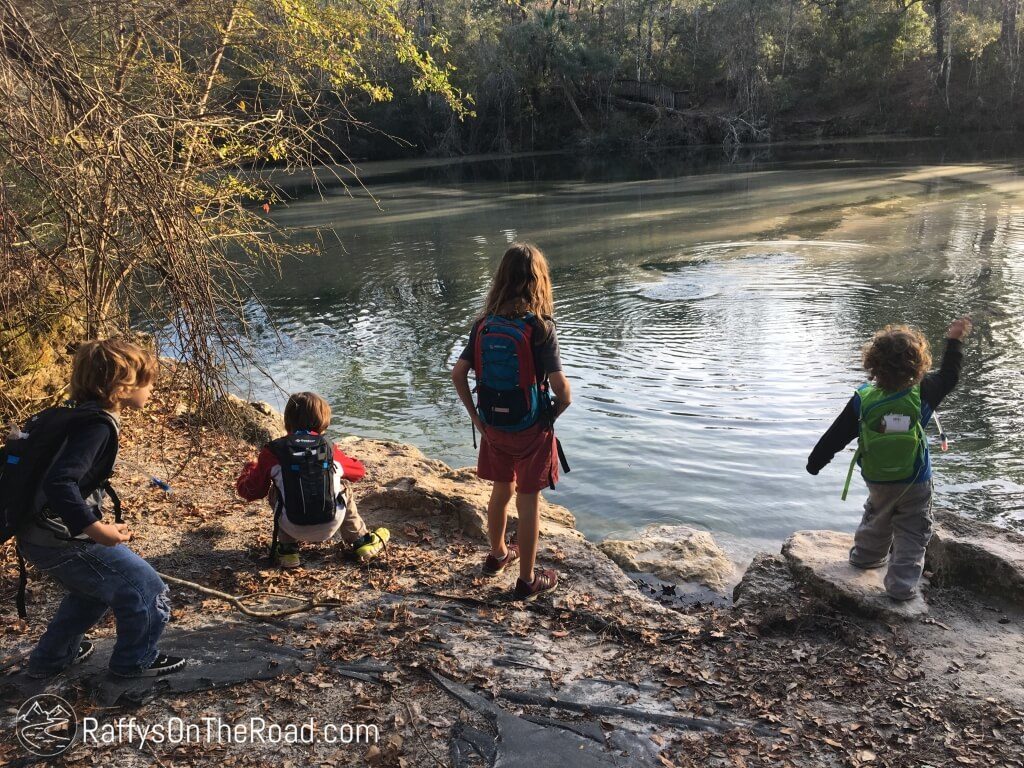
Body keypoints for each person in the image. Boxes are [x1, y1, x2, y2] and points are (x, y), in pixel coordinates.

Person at [15, 339, 186, 678]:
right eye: (146, 381)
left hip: (35, 534)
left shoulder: (71, 415)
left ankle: (51, 657)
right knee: (145, 588)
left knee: (90, 592)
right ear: (122, 387)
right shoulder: (97, 426)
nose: (151, 389)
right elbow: (59, 483)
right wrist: (97, 530)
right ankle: (134, 660)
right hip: (62, 538)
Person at [806, 317, 972, 601]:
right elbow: (950, 375)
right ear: (919, 364)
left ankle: (865, 558)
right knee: (913, 529)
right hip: (915, 479)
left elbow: (835, 436)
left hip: (877, 477)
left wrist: (815, 463)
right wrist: (954, 340)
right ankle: (901, 586)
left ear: (873, 363)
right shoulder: (926, 391)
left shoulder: (863, 398)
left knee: (878, 515)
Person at [451, 242, 572, 600]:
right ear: (539, 281)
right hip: (530, 429)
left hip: (493, 427)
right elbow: (562, 390)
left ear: (500, 279)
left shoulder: (484, 325)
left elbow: (459, 374)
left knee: (500, 492)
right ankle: (527, 580)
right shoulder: (540, 328)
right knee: (528, 500)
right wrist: (554, 412)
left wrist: (478, 419)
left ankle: (497, 555)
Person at [235, 392, 388, 568]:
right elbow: (358, 472)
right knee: (344, 485)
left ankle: (288, 550)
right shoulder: (328, 447)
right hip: (331, 523)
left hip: (292, 524)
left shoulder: (274, 451)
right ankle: (361, 541)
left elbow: (252, 492)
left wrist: (250, 468)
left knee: (274, 490)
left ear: (288, 420)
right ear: (322, 422)